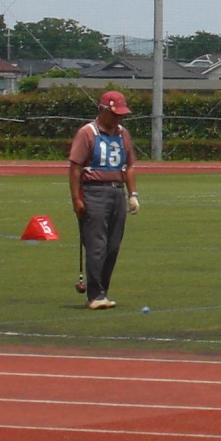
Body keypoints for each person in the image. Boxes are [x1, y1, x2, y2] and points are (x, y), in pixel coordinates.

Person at [67, 90, 140, 310]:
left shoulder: (122, 134)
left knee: (113, 246)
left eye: (121, 115)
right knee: (96, 244)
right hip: (94, 192)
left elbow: (129, 165)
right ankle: (95, 294)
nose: (118, 118)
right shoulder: (87, 133)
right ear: (102, 110)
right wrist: (76, 200)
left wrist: (133, 194)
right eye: (114, 114)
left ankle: (103, 291)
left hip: (117, 192)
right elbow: (75, 168)